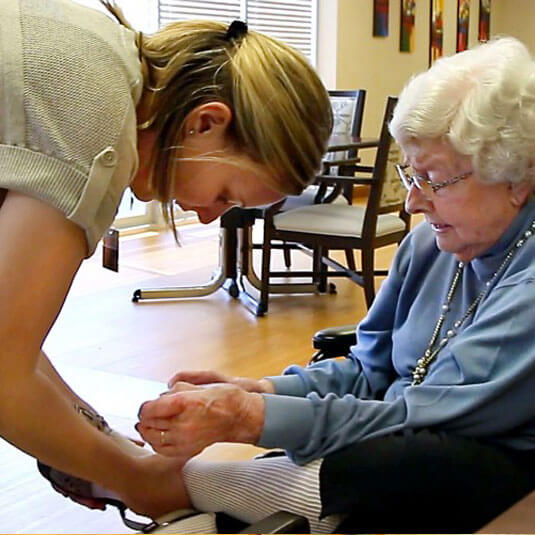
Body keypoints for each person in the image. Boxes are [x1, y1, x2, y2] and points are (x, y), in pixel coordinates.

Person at [135, 36, 535, 532]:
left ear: (517, 176)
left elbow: (424, 419)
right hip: (403, 442)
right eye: (410, 175)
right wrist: (262, 388)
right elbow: (369, 371)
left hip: (487, 461)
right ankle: (233, 500)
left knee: (403, 462)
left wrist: (252, 417)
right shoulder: (430, 247)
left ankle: (175, 486)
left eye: (434, 179)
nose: (412, 203)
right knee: (348, 462)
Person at [0, 0, 333, 523]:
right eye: (225, 194)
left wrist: (102, 442)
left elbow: (9, 342)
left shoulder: (94, 53)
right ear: (206, 122)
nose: (206, 218)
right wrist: (136, 479)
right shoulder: (92, 116)